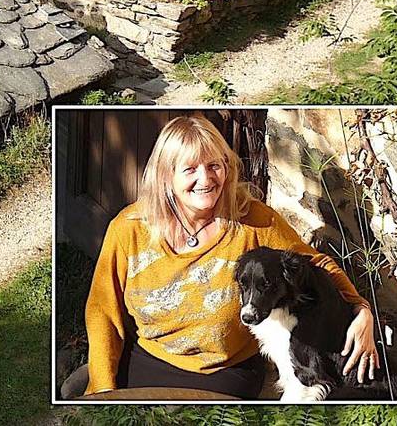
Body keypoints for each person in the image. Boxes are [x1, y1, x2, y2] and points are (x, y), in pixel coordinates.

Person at [82, 114, 379, 397]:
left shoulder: (253, 221)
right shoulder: (128, 229)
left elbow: (312, 264)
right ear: (165, 176)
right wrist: (103, 388)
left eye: (214, 165)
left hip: (223, 373)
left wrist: (360, 308)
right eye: (190, 169)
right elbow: (103, 312)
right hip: (148, 357)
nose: (206, 179)